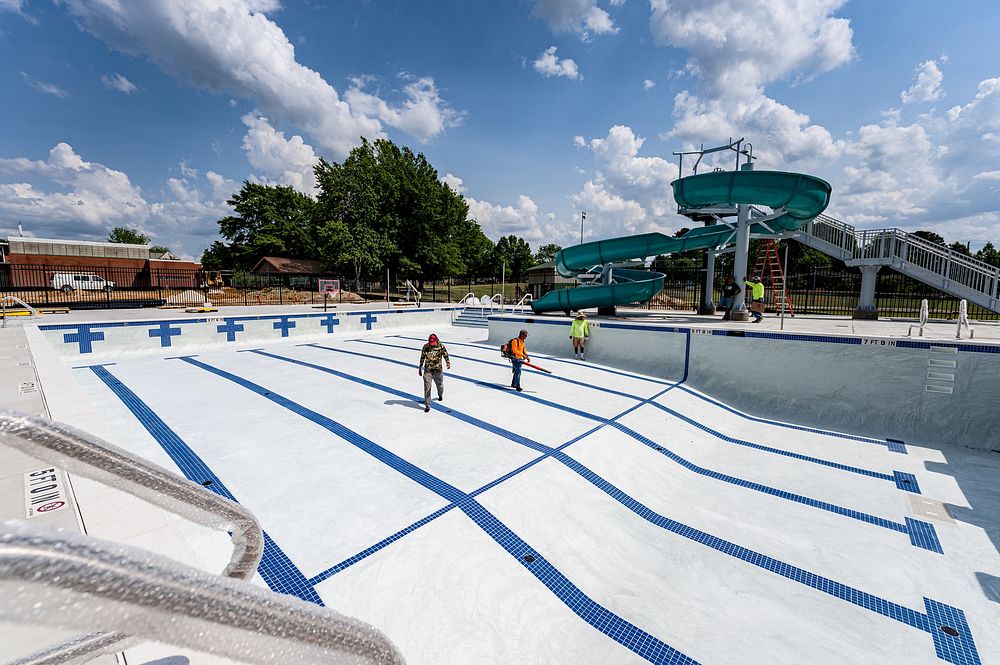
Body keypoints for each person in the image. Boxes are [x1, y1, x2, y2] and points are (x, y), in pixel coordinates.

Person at [418, 333, 451, 412]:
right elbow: (422, 357)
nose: (431, 345)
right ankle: (427, 405)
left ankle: (440, 395)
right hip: (428, 370)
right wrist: (420, 367)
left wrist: (448, 362)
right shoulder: (426, 347)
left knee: (439, 385)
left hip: (438, 370)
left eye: (433, 343)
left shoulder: (441, 346)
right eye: (430, 343)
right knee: (427, 387)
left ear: (437, 340)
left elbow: (445, 354)